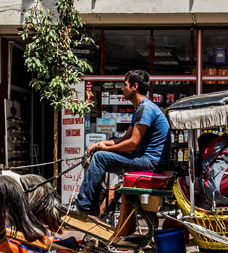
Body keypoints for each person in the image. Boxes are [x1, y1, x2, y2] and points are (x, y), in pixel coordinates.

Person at [71, 70, 171, 216]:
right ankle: (89, 205)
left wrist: (104, 151)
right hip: (146, 159)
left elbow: (132, 143)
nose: (122, 89)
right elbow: (124, 138)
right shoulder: (140, 109)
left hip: (151, 163)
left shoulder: (146, 109)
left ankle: (84, 206)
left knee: (100, 158)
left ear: (134, 86)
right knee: (100, 154)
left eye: (125, 85)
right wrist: (100, 144)